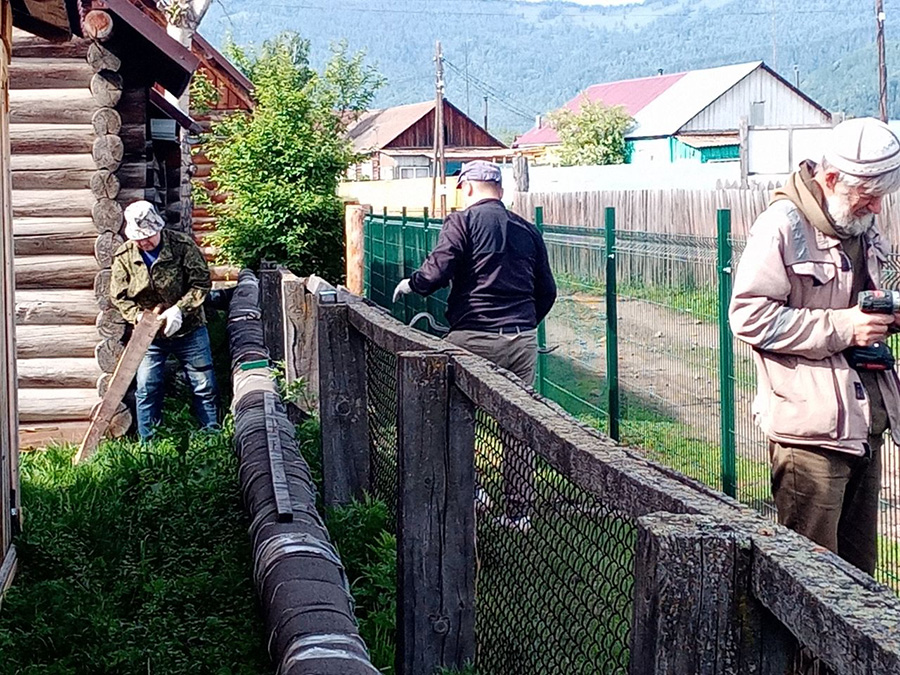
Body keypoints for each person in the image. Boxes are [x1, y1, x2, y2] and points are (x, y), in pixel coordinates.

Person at [729, 117, 900, 575]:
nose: (877, 207)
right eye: (868, 195)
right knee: (812, 578)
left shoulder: (857, 221)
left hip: (864, 425)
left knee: (859, 580)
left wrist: (885, 316)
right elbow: (748, 317)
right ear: (831, 178)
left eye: (882, 196)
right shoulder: (782, 226)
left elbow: (856, 303)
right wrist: (845, 327)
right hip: (810, 437)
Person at [392, 160, 557, 528]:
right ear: (500, 190)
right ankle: (519, 512)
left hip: (473, 337)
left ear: (467, 187)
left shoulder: (461, 222)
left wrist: (413, 284)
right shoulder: (527, 230)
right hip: (521, 340)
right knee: (517, 424)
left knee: (453, 412)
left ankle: (473, 492)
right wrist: (524, 325)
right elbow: (547, 290)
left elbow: (438, 270)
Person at [110, 200, 219, 440]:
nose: (144, 242)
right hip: (149, 336)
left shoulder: (182, 246)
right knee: (147, 387)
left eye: (148, 236)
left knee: (203, 384)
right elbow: (118, 296)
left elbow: (201, 283)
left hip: (189, 329)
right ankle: (149, 445)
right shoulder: (125, 256)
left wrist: (180, 309)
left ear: (158, 229)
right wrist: (137, 316)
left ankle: (212, 437)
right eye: (139, 238)